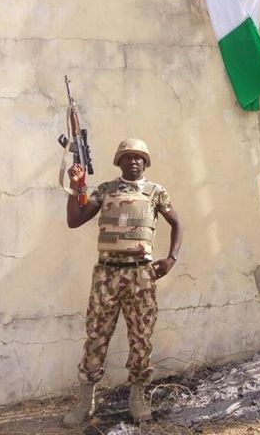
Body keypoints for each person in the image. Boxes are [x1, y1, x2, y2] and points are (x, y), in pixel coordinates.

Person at [62, 138, 183, 427]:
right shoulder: (105, 190)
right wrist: (76, 187)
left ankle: (138, 396)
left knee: (141, 338)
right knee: (96, 337)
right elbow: (75, 220)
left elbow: (177, 223)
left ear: (145, 162)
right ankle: (86, 400)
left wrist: (171, 259)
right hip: (107, 275)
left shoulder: (155, 192)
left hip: (141, 275)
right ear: (119, 161)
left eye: (138, 157)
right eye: (127, 156)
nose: (133, 161)